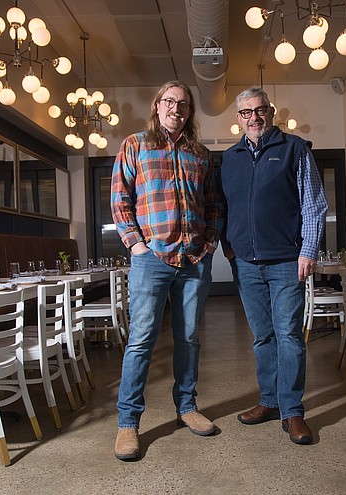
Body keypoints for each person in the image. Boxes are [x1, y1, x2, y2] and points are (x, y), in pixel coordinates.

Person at [110, 80, 224, 461]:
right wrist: (136, 244)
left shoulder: (202, 155)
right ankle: (128, 423)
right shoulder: (135, 145)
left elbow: (214, 205)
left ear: (190, 112)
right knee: (141, 339)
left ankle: (187, 407)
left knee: (189, 338)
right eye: (170, 102)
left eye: (185, 104)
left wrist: (208, 245)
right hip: (151, 259)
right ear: (157, 106)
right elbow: (120, 198)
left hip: (193, 260)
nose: (177, 109)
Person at [220, 87, 327, 445]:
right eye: (246, 111)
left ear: (271, 111)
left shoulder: (293, 149)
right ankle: (268, 401)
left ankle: (292, 411)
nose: (254, 116)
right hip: (246, 265)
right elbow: (222, 209)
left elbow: (313, 204)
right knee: (262, 337)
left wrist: (308, 250)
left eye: (260, 109)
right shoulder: (230, 158)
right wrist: (229, 249)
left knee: (289, 337)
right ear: (238, 119)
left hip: (286, 262)